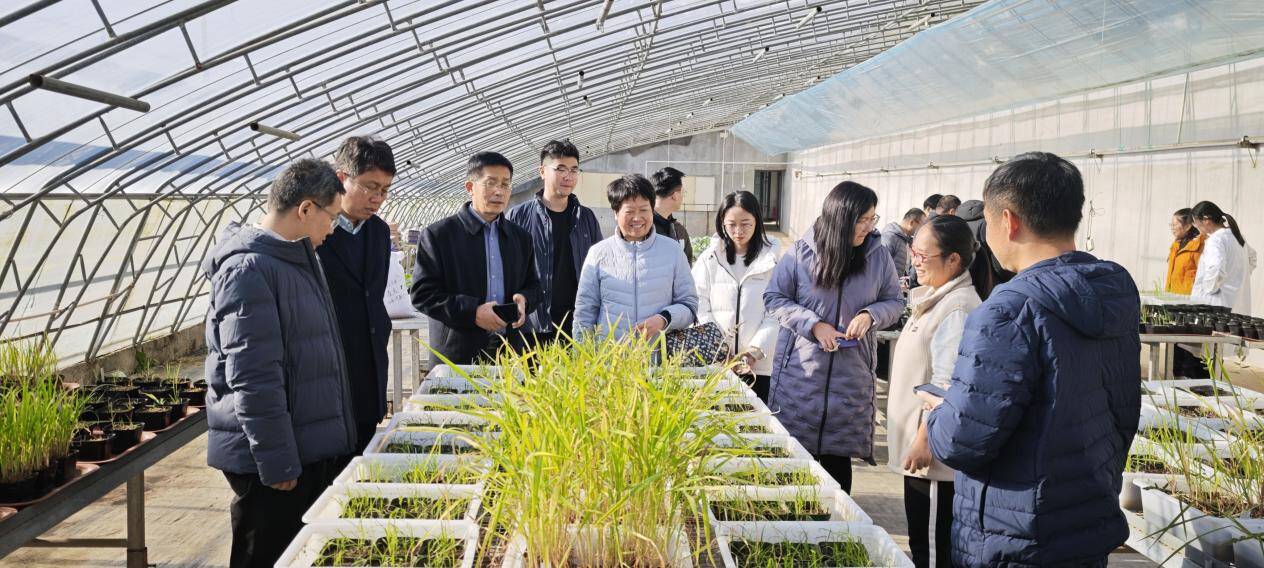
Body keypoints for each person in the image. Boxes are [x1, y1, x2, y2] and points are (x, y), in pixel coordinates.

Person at [923, 152, 1140, 567]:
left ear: (1008, 221)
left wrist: (940, 412)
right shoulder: (1113, 291)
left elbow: (961, 441)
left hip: (1016, 535)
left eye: (987, 223)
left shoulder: (1009, 310)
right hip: (1085, 520)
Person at [201, 159, 357, 568]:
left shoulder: (293, 259)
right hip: (271, 461)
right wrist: (277, 460)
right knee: (266, 555)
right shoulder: (249, 269)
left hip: (298, 448)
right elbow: (254, 378)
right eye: (332, 217)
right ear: (306, 209)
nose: (332, 229)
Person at [763, 181, 904, 493]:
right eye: (862, 219)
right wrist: (814, 325)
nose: (869, 227)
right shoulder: (800, 253)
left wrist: (870, 315)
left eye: (872, 218)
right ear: (841, 218)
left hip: (851, 377)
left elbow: (895, 302)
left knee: (838, 468)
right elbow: (774, 298)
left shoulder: (878, 256)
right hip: (801, 375)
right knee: (794, 468)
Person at [886, 215, 981, 568]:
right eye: (914, 252)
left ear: (953, 259)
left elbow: (947, 385)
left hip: (934, 458)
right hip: (922, 452)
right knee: (923, 544)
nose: (915, 261)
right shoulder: (937, 298)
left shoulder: (957, 307)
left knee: (932, 550)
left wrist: (925, 440)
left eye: (924, 256)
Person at [410, 152, 541, 365]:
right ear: (470, 187)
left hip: (510, 352)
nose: (499, 191)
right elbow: (423, 294)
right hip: (458, 354)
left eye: (505, 184)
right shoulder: (439, 235)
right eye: (491, 183)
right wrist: (473, 312)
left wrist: (525, 299)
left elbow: (534, 286)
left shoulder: (520, 238)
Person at [316, 136, 395, 456]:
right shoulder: (314, 233)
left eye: (385, 190)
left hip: (369, 376)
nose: (377, 198)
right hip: (327, 378)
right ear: (341, 178)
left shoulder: (378, 232)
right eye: (370, 186)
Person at [574, 174, 697, 340]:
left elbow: (689, 305)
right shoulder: (599, 253)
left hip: (659, 353)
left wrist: (664, 319)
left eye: (644, 210)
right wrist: (582, 351)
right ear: (616, 213)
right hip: (610, 353)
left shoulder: (672, 251)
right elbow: (585, 313)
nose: (637, 218)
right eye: (630, 211)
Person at [505, 140, 602, 342]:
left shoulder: (586, 218)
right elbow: (507, 269)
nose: (568, 176)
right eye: (560, 169)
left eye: (574, 170)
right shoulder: (518, 216)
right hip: (531, 325)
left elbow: (600, 266)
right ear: (542, 171)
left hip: (576, 325)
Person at [692, 191, 780, 401]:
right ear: (722, 222)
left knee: (755, 416)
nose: (738, 231)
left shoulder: (772, 260)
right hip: (717, 362)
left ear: (757, 222)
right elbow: (699, 304)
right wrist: (720, 349)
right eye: (731, 224)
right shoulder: (709, 259)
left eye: (746, 224)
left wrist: (754, 352)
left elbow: (777, 311)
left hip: (758, 366)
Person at [1190, 201, 1251, 314]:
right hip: (1236, 303)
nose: (1197, 228)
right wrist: (1238, 276)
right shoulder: (1237, 236)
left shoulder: (1215, 240)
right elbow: (1252, 259)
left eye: (1196, 224)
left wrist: (1207, 290)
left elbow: (1216, 268)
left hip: (1216, 305)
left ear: (1206, 220)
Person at [956, 199, 1013, 300]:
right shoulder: (986, 223)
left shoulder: (957, 224)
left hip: (964, 272)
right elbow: (994, 255)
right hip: (987, 271)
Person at [651, 166, 694, 265]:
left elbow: (687, 264)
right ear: (675, 195)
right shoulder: (643, 228)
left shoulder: (679, 230)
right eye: (683, 193)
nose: (683, 197)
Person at [1165, 208, 1204, 295]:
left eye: (1174, 225)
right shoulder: (1175, 245)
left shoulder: (1198, 246)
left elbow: (1204, 276)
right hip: (1171, 297)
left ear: (1187, 226)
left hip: (1189, 299)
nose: (1172, 228)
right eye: (1171, 225)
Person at [880, 208, 926, 275]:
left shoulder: (905, 240)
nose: (922, 230)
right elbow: (880, 265)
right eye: (921, 226)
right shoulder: (890, 237)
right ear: (912, 223)